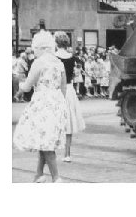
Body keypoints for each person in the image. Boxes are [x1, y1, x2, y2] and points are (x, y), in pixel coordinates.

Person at [13, 30, 68, 183]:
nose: (34, 51)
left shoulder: (39, 62)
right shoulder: (59, 63)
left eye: (36, 48)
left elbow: (28, 85)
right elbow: (63, 87)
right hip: (57, 102)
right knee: (45, 139)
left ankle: (56, 178)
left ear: (43, 48)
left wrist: (19, 89)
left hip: (42, 103)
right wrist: (61, 105)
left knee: (45, 141)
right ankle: (39, 174)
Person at [55, 31, 86, 162]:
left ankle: (51, 152)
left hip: (56, 90)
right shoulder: (72, 57)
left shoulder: (53, 56)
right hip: (69, 89)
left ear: (56, 43)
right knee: (69, 122)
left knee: (54, 121)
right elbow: (77, 70)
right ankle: (67, 154)